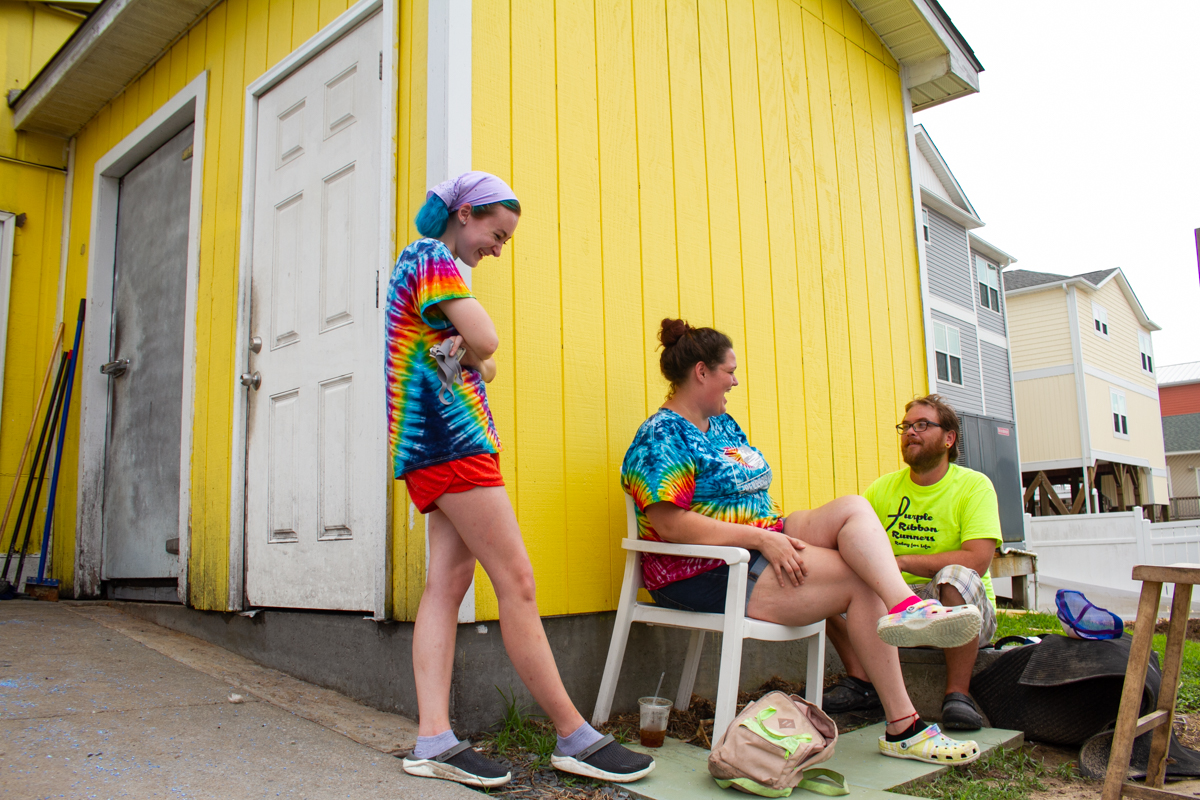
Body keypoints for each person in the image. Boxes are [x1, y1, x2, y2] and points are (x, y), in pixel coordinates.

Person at [387, 171, 654, 788]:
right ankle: (574, 736)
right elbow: (486, 342)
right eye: (496, 234)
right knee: (519, 581)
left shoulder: (415, 269)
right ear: (465, 214)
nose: (498, 249)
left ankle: (434, 740)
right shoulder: (432, 258)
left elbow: (456, 359)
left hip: (426, 446)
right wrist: (477, 350)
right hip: (454, 446)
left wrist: (470, 356)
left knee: (446, 586)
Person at [621, 318, 984, 764]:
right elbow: (672, 525)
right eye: (729, 371)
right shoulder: (662, 435)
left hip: (761, 538)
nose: (735, 380)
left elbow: (748, 495)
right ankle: (904, 726)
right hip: (706, 569)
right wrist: (762, 539)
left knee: (853, 508)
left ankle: (906, 606)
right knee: (859, 578)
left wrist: (771, 535)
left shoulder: (722, 425)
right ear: (701, 372)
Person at [822, 395, 1002, 730]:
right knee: (828, 582)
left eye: (922, 425)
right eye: (905, 427)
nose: (910, 433)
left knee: (955, 576)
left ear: (949, 438)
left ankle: (957, 696)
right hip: (897, 605)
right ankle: (862, 684)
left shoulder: (974, 487)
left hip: (962, 610)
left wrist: (904, 561)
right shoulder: (882, 489)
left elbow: (978, 560)